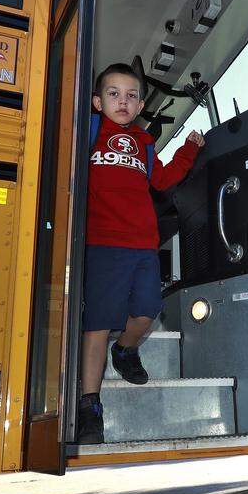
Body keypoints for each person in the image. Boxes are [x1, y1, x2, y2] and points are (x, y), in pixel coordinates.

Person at [77, 62, 205, 444]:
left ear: (140, 104)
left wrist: (189, 149)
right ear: (98, 102)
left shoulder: (144, 144)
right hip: (101, 244)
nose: (123, 101)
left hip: (143, 246)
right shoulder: (90, 131)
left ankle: (126, 350)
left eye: (131, 96)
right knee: (96, 325)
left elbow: (163, 180)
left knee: (147, 312)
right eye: (114, 94)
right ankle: (89, 407)